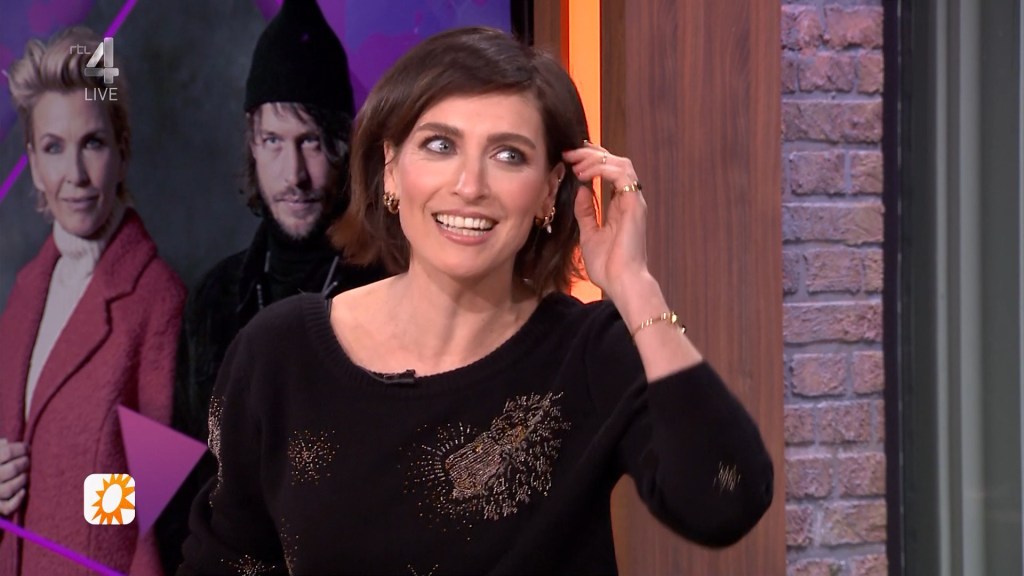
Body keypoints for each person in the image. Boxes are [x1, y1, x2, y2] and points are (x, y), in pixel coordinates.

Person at [179, 26, 773, 575]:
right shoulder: (279, 354)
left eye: (508, 155)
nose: (469, 186)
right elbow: (224, 563)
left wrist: (636, 284)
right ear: (392, 168)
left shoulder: (591, 354)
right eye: (440, 145)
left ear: (549, 191)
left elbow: (725, 498)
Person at [160, 0, 385, 571]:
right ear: (252, 144)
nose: (294, 175)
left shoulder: (390, 285)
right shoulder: (214, 298)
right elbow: (182, 475)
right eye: (274, 142)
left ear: (345, 144)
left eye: (311, 141)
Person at [0, 27, 185, 576]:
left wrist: (86, 506)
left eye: (93, 144)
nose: (75, 176)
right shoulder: (25, 293)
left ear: (122, 153)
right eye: (54, 148)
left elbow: (155, 508)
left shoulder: (157, 299)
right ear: (33, 164)